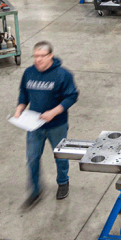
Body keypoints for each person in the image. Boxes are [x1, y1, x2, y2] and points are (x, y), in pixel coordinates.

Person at [14, 41, 79, 208]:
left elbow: (71, 96)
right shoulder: (29, 73)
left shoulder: (62, 74)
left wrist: (54, 112)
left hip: (57, 125)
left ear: (50, 56)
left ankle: (63, 182)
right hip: (34, 125)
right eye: (36, 56)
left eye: (42, 56)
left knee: (60, 156)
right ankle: (35, 190)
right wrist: (20, 108)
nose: (38, 60)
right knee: (32, 158)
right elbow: (24, 93)